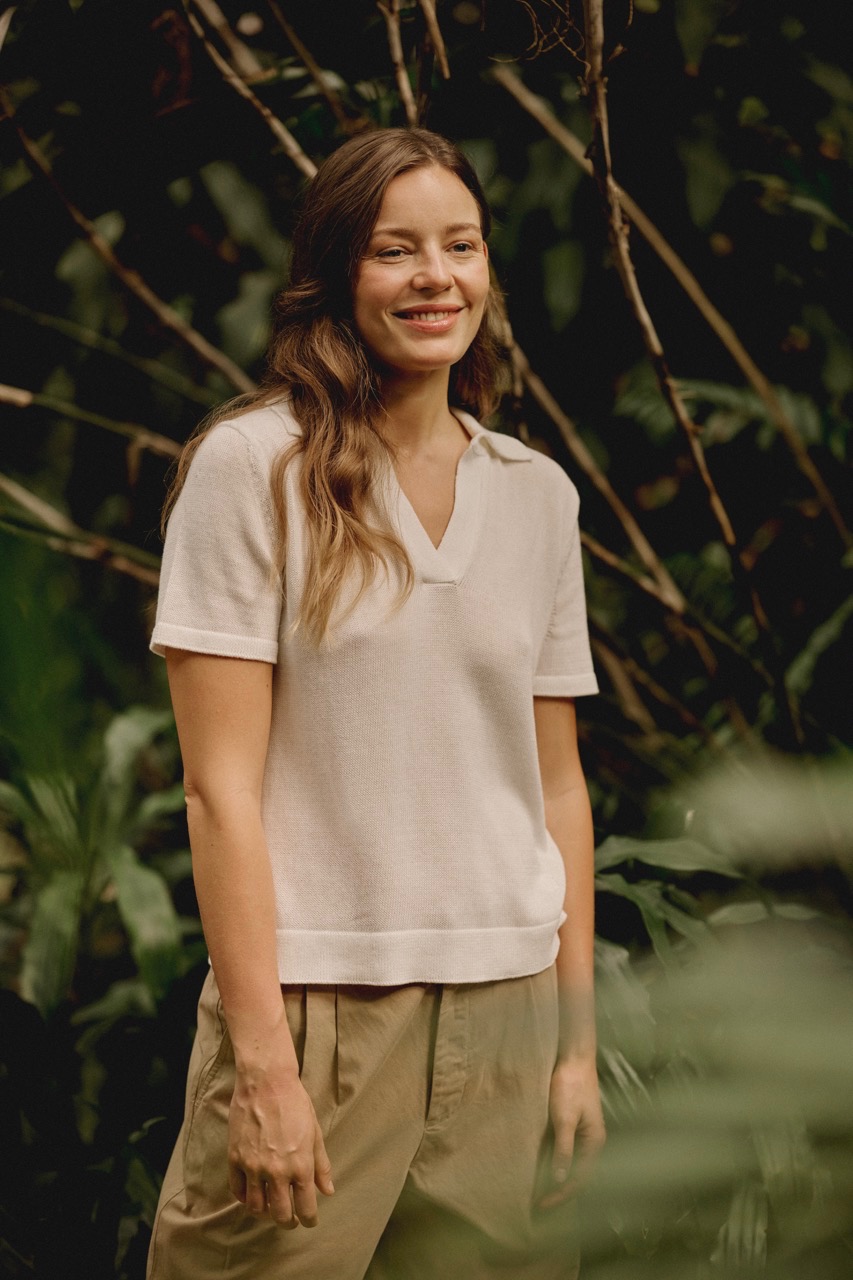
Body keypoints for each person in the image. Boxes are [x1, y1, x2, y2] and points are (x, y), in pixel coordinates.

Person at [146, 126, 604, 1280]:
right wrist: (262, 1060)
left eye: (460, 245)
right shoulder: (252, 470)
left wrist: (573, 1045)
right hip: (319, 1014)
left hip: (508, 1012)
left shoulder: (538, 495)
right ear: (337, 273)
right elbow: (219, 788)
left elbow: (555, 782)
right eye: (396, 250)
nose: (434, 276)